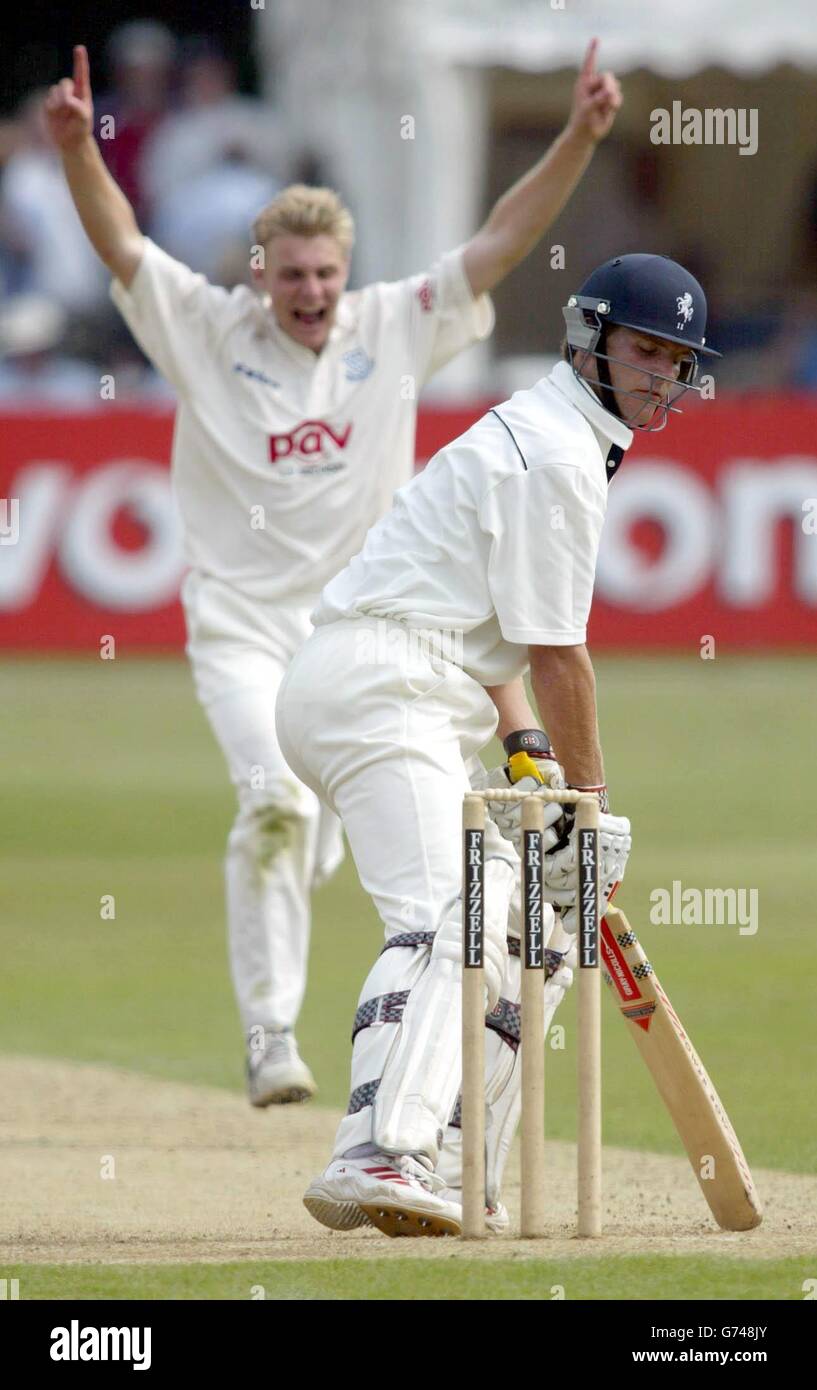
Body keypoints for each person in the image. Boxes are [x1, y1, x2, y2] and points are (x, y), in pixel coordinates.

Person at [44, 40, 621, 1108]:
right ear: (257, 272)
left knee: (325, 825)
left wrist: (580, 135)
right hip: (243, 628)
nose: (309, 293)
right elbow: (124, 245)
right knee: (270, 800)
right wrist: (83, 153)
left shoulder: (390, 326)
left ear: (344, 274)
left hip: (364, 635)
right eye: (291, 275)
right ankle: (271, 1033)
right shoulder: (208, 328)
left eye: (324, 275)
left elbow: (501, 241)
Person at [276, 252, 720, 1236]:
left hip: (399, 687)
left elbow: (499, 634)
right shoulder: (556, 453)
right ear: (589, 338)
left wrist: (532, 756)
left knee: (535, 937)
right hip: (380, 684)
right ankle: (381, 1148)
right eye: (644, 350)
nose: (662, 375)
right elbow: (562, 657)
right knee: (456, 911)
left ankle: (456, 1158)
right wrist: (586, 812)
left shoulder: (547, 430)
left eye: (677, 360)